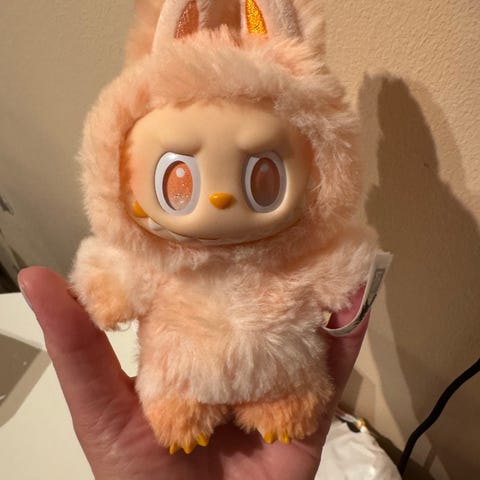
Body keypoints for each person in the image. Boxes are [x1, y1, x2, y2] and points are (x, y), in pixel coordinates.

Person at [18, 266, 371, 480]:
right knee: (176, 398)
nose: (220, 198)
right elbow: (119, 269)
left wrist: (344, 261)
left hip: (279, 376)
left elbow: (331, 261)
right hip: (182, 379)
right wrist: (106, 284)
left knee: (290, 396)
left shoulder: (295, 249)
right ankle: (182, 409)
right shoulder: (153, 256)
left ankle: (280, 404)